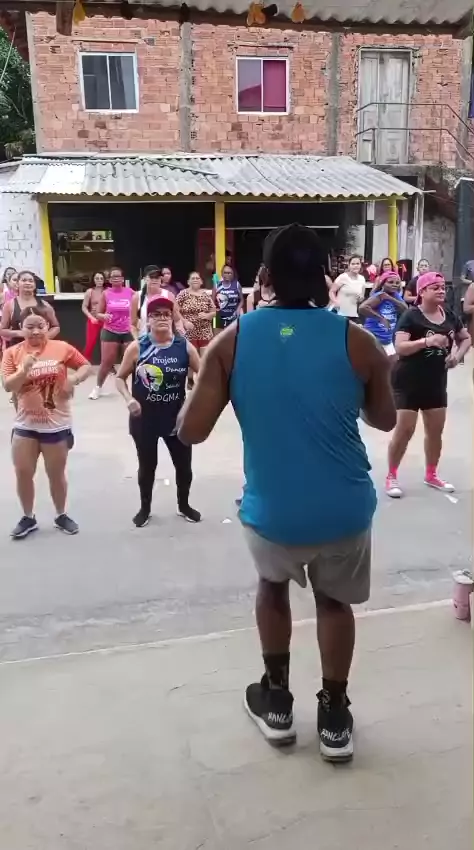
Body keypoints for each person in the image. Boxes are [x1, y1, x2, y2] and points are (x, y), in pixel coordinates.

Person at [177, 223, 396, 761]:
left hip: (273, 510)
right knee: (334, 602)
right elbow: (385, 418)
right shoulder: (358, 341)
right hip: (344, 508)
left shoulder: (233, 340)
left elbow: (191, 431)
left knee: (272, 587)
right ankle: (334, 715)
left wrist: (200, 388)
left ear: (265, 277)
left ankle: (276, 702)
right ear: (325, 277)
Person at [1, 306, 92, 539]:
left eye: (40, 326)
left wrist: (74, 379)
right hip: (25, 425)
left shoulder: (61, 347)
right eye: (29, 326)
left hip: (56, 425)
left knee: (56, 474)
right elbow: (8, 386)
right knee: (23, 472)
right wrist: (24, 369)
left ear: (47, 327)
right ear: (20, 328)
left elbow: (85, 366)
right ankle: (28, 517)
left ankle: (61, 514)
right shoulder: (12, 353)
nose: (35, 331)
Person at [116, 291, 202, 528]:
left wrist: (191, 401)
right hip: (144, 419)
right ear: (148, 320)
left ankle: (184, 505)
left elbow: (203, 375)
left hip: (177, 418)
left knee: (184, 467)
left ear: (172, 318)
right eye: (156, 314)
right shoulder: (138, 347)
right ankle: (145, 508)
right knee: (147, 467)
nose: (162, 318)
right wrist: (128, 399)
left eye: (166, 314)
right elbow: (119, 378)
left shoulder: (184, 347)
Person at [386, 272, 471, 499]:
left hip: (435, 381)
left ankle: (431, 474)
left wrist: (457, 357)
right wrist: (427, 341)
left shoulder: (449, 314)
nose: (441, 291)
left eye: (443, 287)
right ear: (422, 292)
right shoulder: (410, 316)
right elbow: (400, 347)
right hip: (408, 382)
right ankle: (391, 475)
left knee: (435, 431)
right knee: (405, 430)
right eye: (435, 287)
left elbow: (465, 338)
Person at [88, 267, 134, 400]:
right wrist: (103, 316)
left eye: (118, 276)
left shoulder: (130, 292)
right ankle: (98, 388)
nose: (116, 278)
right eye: (113, 276)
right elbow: (97, 313)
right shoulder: (106, 293)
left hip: (128, 331)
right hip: (110, 330)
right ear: (109, 280)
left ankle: (134, 390)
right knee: (107, 362)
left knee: (132, 362)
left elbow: (138, 309)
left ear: (123, 279)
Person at [0, 270, 59, 349]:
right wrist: (20, 333)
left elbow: (56, 327)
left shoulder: (45, 305)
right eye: (24, 280)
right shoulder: (10, 305)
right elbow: (2, 330)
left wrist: (44, 337)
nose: (27, 283)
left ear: (34, 285)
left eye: (31, 281)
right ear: (17, 284)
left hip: (41, 349)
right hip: (18, 349)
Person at [176, 271, 216, 388]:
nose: (195, 280)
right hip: (189, 331)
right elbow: (175, 310)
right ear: (188, 281)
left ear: (201, 281)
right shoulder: (183, 294)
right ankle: (190, 380)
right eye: (193, 278)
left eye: (197, 278)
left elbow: (214, 311)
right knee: (191, 357)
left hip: (204, 331)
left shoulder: (205, 295)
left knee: (204, 358)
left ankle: (203, 381)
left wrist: (208, 315)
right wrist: (184, 322)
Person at [359, 271, 407, 358]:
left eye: (397, 283)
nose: (394, 285)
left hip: (387, 339)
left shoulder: (395, 295)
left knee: (392, 362)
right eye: (390, 282)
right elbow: (362, 308)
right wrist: (381, 318)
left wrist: (389, 298)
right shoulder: (379, 296)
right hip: (373, 338)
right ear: (383, 283)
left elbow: (405, 309)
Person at [132, 267, 188, 338]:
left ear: (161, 279)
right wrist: (136, 340)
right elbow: (132, 324)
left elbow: (177, 320)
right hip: (144, 340)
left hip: (167, 339)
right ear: (145, 279)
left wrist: (181, 335)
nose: (154, 280)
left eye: (157, 277)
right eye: (152, 277)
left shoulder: (169, 295)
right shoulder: (137, 297)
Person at [330, 254, 366, 322]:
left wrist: (361, 298)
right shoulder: (343, 277)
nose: (355, 266)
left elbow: (362, 297)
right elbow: (331, 291)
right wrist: (335, 301)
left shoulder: (362, 279)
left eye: (357, 264)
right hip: (339, 313)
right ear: (349, 266)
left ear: (360, 265)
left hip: (353, 314)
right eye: (353, 264)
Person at [82, 271, 107, 361]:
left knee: (106, 344)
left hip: (105, 320)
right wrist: (91, 318)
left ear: (104, 280)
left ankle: (108, 364)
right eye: (97, 278)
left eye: (101, 278)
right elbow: (84, 307)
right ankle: (83, 363)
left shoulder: (108, 291)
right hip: (94, 320)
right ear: (93, 280)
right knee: (90, 343)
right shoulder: (90, 291)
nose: (99, 280)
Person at [213, 264, 243, 330]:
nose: (227, 275)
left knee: (234, 335)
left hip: (233, 317)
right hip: (219, 317)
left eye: (229, 273)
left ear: (233, 274)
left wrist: (238, 309)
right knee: (218, 335)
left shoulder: (237, 284)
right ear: (222, 273)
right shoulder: (217, 285)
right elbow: (212, 302)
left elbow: (242, 300)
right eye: (225, 272)